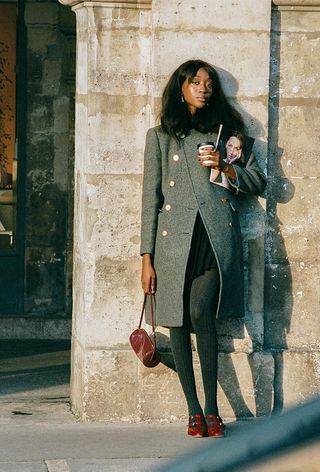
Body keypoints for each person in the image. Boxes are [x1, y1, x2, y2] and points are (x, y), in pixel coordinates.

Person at [140, 59, 266, 438]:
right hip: (172, 241)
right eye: (195, 82)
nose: (203, 88)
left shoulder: (229, 135)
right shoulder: (160, 136)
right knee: (177, 319)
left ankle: (213, 410)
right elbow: (151, 198)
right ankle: (194, 411)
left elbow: (258, 181)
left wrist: (227, 169)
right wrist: (145, 257)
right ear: (181, 88)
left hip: (214, 238)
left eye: (208, 82)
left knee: (200, 312)